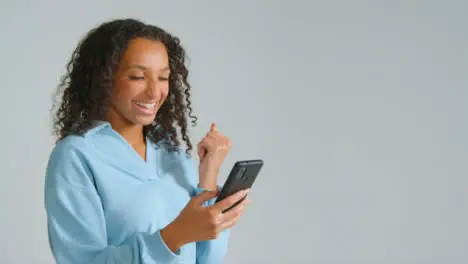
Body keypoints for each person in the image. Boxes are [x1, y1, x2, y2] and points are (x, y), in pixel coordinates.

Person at [44, 18, 250, 264]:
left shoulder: (171, 152)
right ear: (104, 79)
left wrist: (208, 181)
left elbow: (206, 261)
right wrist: (173, 237)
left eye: (163, 78)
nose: (154, 92)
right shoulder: (76, 155)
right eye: (138, 77)